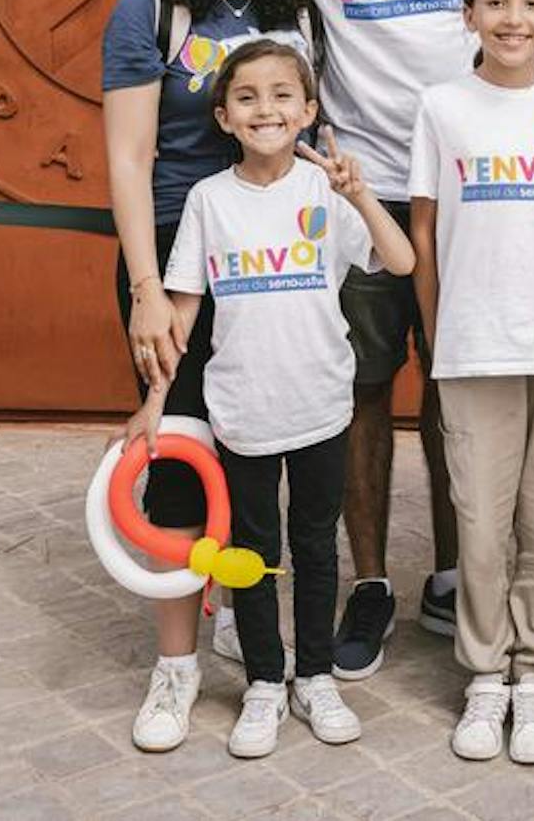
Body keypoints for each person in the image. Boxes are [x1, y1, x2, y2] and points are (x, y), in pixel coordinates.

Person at [307, 0, 528, 678]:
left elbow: (520, 21)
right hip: (358, 186)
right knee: (359, 387)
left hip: (468, 186)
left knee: (458, 386)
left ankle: (450, 571)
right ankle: (368, 582)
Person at [100, 0, 324, 754]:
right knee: (180, 451)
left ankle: (259, 634)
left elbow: (300, 129)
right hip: (170, 258)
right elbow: (128, 154)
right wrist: (148, 291)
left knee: (259, 446)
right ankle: (178, 666)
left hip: (267, 258)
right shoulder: (148, 9)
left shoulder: (290, 12)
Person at [149, 40, 415, 758]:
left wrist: (359, 192)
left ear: (308, 109)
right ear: (224, 116)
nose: (265, 108)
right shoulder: (208, 201)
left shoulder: (326, 190)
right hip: (242, 408)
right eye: (247, 97)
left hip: (321, 403)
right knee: (255, 552)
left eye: (280, 94)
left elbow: (401, 260)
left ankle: (316, 673)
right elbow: (179, 312)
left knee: (316, 544)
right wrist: (153, 403)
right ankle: (266, 679)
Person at [409, 0, 534, 765]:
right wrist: (435, 330)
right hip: (471, 340)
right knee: (480, 520)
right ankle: (486, 672)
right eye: (495, 1)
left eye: (531, 2)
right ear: (469, 14)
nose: (513, 18)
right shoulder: (442, 105)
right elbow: (423, 230)